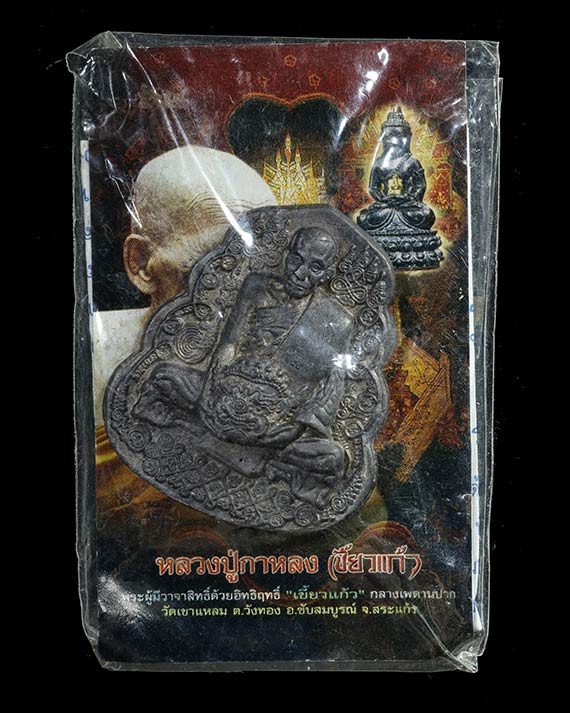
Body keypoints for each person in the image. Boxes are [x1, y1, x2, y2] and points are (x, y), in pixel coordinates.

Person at [133, 226, 354, 507]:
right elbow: (228, 345)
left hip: (279, 423)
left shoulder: (336, 320)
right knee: (163, 377)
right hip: (226, 395)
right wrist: (209, 398)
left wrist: (292, 430)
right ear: (285, 255)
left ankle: (229, 445)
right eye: (296, 260)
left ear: (327, 273)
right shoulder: (256, 287)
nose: (300, 273)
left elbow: (330, 389)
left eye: (315, 267)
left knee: (332, 458)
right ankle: (244, 451)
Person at [92, 145, 276, 425]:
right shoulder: (92, 358)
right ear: (141, 264)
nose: (248, 285)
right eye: (216, 262)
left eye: (266, 262)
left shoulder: (283, 361)